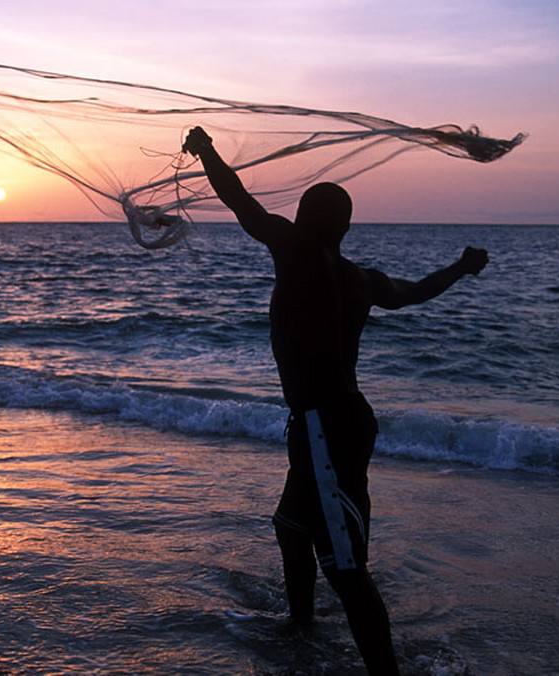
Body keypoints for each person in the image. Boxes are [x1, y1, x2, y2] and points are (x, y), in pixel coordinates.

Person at [182, 126, 487, 676]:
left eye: (299, 213)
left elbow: (241, 203)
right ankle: (300, 630)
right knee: (291, 527)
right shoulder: (360, 279)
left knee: (346, 568)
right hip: (328, 424)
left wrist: (206, 151)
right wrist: (461, 269)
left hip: (328, 428)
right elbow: (415, 291)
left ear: (305, 220)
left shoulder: (298, 254)